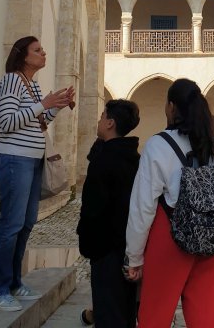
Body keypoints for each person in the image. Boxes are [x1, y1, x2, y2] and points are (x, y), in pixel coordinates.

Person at [125, 78, 214, 328]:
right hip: (213, 239)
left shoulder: (158, 144)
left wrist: (134, 256)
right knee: (207, 319)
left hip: (171, 236)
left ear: (171, 107)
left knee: (155, 316)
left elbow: (143, 205)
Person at [0, 36, 75, 311]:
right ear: (23, 55)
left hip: (33, 160)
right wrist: (44, 104)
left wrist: (56, 105)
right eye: (37, 50)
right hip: (14, 159)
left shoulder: (32, 84)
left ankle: (14, 282)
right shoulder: (11, 81)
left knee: (26, 223)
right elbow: (7, 121)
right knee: (11, 224)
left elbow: (38, 121)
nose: (43, 53)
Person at [77, 99, 141, 328]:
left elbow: (92, 209)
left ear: (110, 123)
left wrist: (87, 242)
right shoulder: (135, 159)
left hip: (105, 249)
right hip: (128, 247)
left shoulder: (103, 161)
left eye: (102, 116)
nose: (99, 120)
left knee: (108, 313)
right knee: (125, 311)